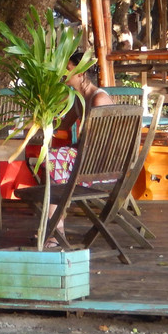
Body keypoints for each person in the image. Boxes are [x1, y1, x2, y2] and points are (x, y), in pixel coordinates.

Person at [41, 53, 114, 246]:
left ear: (81, 73)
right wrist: (42, 118)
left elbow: (98, 142)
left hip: (101, 166)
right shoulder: (79, 99)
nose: (63, 72)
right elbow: (62, 126)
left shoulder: (99, 99)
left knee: (53, 160)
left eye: (68, 69)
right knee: (50, 160)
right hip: (86, 159)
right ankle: (54, 229)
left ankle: (55, 231)